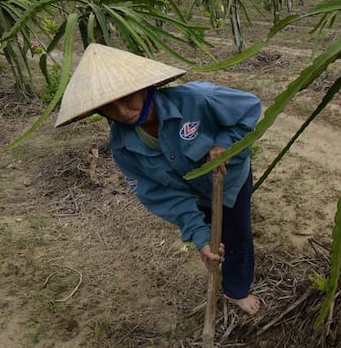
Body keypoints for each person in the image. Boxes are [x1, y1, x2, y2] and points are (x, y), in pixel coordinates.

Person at [55, 43, 263, 315]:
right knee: (212, 235)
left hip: (230, 181)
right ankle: (211, 243)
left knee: (237, 233)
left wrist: (224, 145)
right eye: (109, 107)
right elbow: (162, 195)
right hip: (194, 193)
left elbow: (248, 110)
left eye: (127, 97)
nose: (123, 111)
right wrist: (199, 236)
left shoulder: (197, 98)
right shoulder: (123, 148)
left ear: (146, 86)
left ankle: (237, 289)